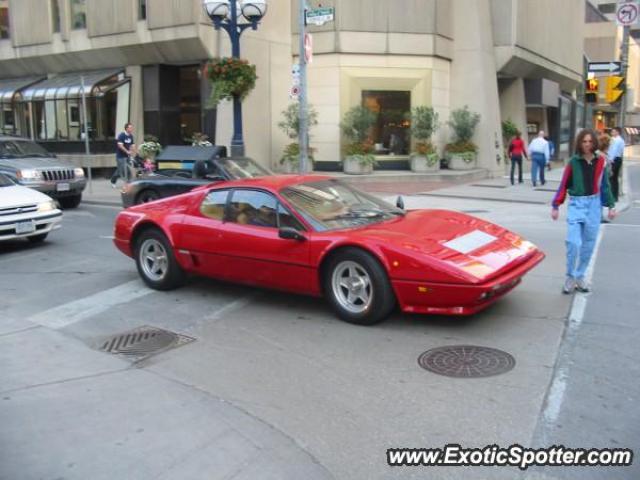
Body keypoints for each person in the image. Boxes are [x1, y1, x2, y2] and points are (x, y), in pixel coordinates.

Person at [551, 129, 616, 294]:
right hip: (577, 204)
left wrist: (611, 205)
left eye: (589, 141)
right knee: (573, 243)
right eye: (584, 141)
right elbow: (564, 184)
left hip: (594, 205)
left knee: (588, 245)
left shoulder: (601, 161)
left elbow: (605, 185)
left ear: (594, 143)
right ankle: (570, 277)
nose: (587, 144)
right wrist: (556, 205)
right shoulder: (573, 162)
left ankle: (580, 277)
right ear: (579, 143)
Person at [110, 123, 136, 188]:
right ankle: (113, 181)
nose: (131, 129)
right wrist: (127, 151)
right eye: (130, 128)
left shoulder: (131, 136)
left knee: (125, 170)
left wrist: (133, 151)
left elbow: (132, 145)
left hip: (127, 156)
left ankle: (129, 183)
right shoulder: (121, 135)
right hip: (120, 156)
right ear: (126, 128)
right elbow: (120, 146)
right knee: (121, 170)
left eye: (131, 127)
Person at [608, 127, 625, 202]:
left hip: (614, 159)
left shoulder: (616, 140)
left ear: (617, 132)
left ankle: (612, 196)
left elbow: (613, 151)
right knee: (615, 178)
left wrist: (610, 159)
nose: (612, 133)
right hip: (618, 159)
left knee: (611, 178)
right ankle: (615, 197)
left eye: (613, 131)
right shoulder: (621, 140)